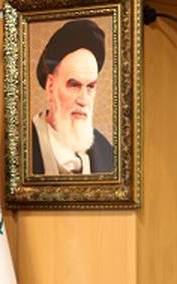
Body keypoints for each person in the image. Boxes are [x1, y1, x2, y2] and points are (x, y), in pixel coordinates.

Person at [31, 19, 114, 175]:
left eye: (90, 87)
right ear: (50, 87)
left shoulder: (108, 154)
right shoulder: (23, 147)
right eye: (74, 85)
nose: (83, 100)